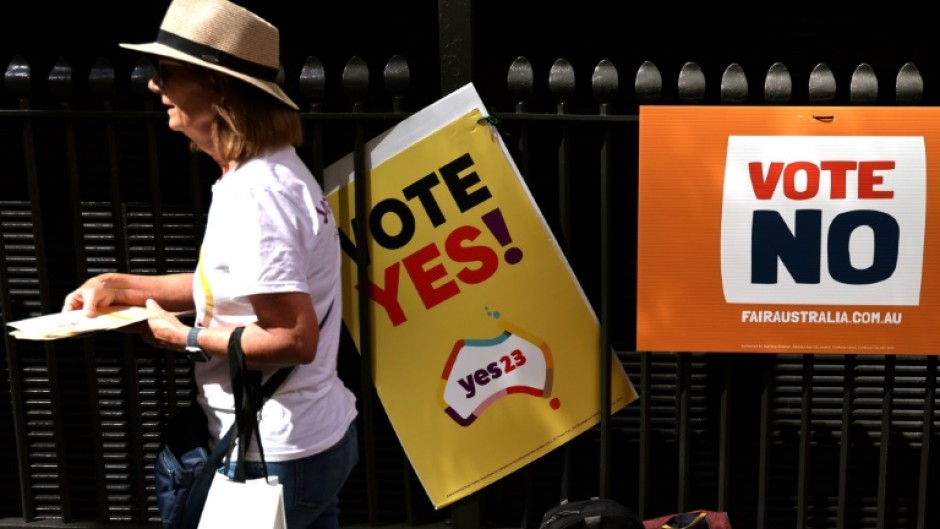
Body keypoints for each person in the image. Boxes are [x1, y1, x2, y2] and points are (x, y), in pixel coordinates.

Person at [60, 0, 359, 528]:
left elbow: (293, 338)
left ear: (219, 88)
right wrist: (119, 286)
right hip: (302, 440)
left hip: (270, 453)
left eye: (167, 72)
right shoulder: (266, 173)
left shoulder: (256, 193)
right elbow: (232, 286)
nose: (154, 85)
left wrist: (184, 338)